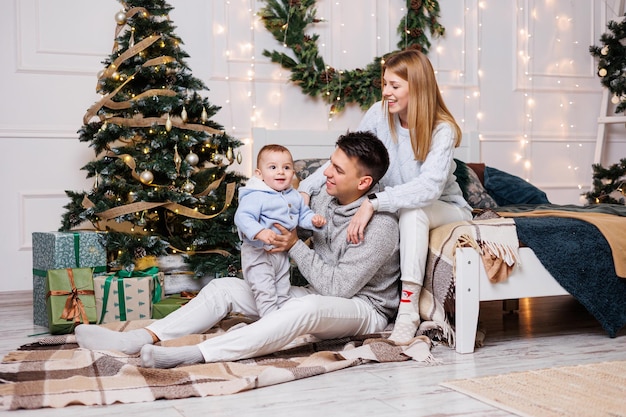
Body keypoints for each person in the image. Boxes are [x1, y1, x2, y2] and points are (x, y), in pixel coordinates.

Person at [75, 131, 401, 368]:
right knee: (222, 288)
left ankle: (199, 354)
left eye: (338, 170)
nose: (326, 173)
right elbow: (283, 219)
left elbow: (338, 289)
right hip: (314, 293)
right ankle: (140, 338)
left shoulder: (381, 226)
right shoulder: (322, 199)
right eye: (331, 163)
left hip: (363, 309)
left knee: (307, 307)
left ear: (363, 183)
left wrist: (292, 245)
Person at [298, 48, 472, 345]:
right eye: (385, 84)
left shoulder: (441, 129)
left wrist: (374, 203)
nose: (387, 92)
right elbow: (347, 158)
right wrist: (304, 188)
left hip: (444, 207)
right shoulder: (380, 114)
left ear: (416, 87)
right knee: (399, 211)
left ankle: (408, 311)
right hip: (393, 202)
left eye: (395, 86)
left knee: (412, 213)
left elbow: (428, 188)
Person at [234, 144, 326, 317]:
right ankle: (269, 327)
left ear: (293, 172)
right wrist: (260, 232)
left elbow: (302, 214)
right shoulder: (256, 195)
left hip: (281, 255)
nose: (281, 172)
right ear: (259, 174)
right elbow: (242, 217)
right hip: (258, 253)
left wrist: (314, 220)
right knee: (266, 294)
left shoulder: (293, 195)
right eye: (273, 167)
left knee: (283, 292)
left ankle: (282, 325)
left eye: (286, 167)